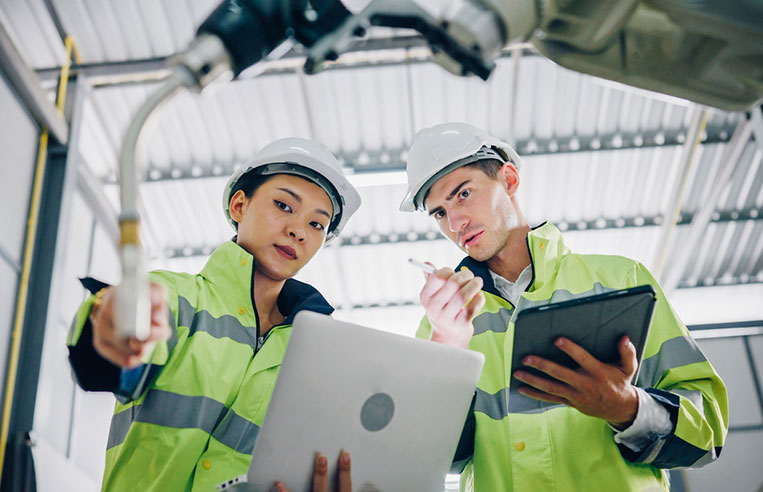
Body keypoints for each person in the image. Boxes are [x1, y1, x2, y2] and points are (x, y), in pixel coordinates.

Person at [399, 122, 728, 491]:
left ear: (509, 179)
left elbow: (708, 432)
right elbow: (435, 456)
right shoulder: (443, 325)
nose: (455, 223)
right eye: (440, 213)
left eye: (463, 194)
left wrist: (627, 408)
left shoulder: (621, 279)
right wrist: (447, 350)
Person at [67, 138, 359, 492]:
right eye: (283, 205)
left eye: (317, 225)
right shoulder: (175, 298)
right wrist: (111, 320)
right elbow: (108, 358)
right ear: (239, 205)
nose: (298, 231)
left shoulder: (320, 352)